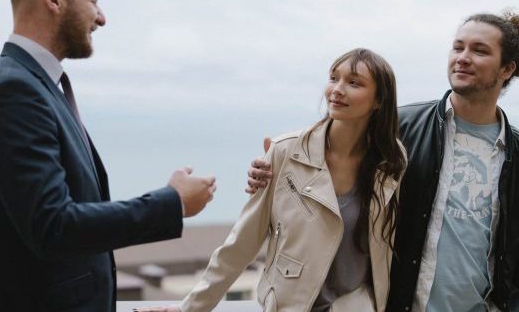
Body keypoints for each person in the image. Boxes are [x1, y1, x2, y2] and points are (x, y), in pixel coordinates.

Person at [247, 12, 519, 311]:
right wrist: (273, 172)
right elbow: (327, 167)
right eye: (457, 47)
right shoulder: (399, 127)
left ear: (507, 69)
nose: (463, 57)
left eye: (479, 51)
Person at [0, 0, 216, 311]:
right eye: (94, 1)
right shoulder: (13, 90)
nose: (102, 18)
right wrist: (172, 203)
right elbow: (54, 227)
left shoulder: (37, 86)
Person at [137, 48, 407, 312]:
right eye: (334, 78)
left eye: (354, 83)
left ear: (378, 100)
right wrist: (190, 308)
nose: (337, 89)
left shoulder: (391, 162)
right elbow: (242, 242)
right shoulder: (285, 152)